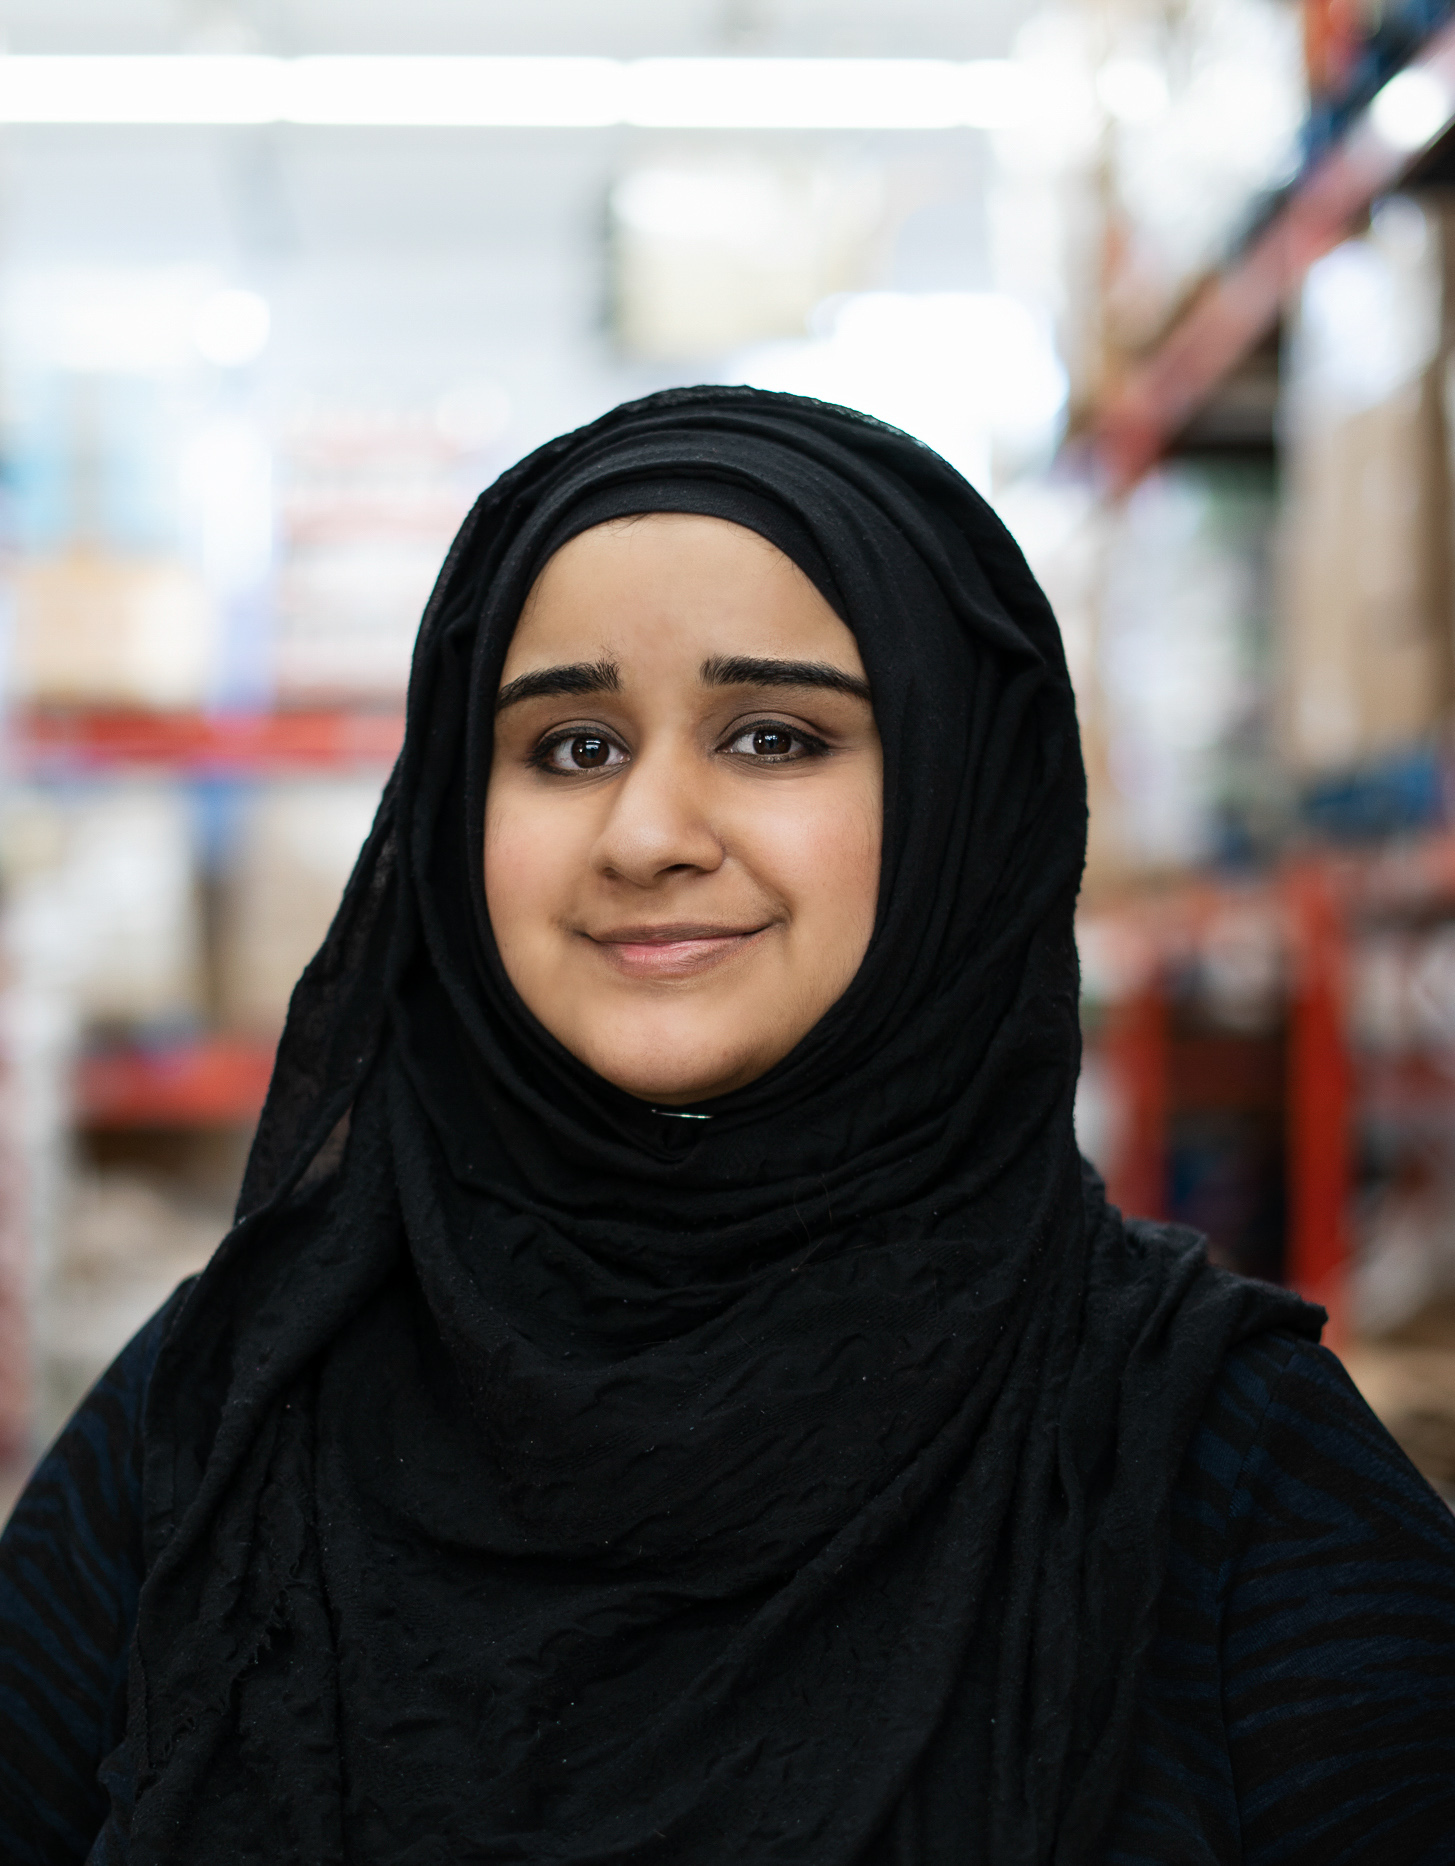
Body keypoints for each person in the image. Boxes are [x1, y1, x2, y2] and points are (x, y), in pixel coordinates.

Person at [1, 385, 1452, 1865]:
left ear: (964, 795)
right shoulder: (224, 1412)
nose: (647, 833)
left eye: (772, 736)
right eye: (569, 746)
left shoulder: (1218, 1463)